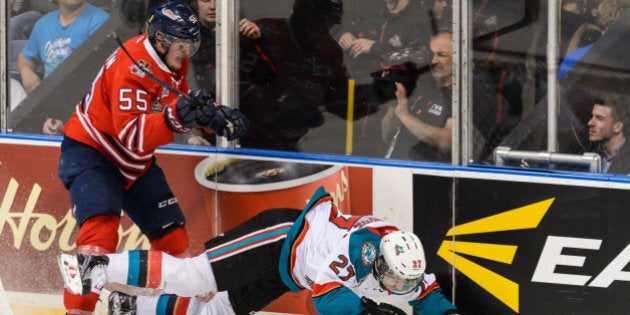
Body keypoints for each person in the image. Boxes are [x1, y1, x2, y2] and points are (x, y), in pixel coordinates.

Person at [56, 1, 248, 314]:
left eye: (190, 44)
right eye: (180, 44)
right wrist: (176, 118)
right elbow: (130, 134)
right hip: (94, 153)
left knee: (173, 235)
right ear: (159, 39)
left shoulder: (175, 60)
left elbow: (180, 103)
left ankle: (180, 306)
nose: (185, 51)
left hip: (136, 162)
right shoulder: (132, 67)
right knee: (100, 232)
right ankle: (78, 310)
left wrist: (210, 116)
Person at [60, 187, 463, 315]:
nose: (399, 285)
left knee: (219, 310)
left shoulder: (404, 266)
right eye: (394, 278)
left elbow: (430, 300)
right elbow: (325, 297)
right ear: (377, 261)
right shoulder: (357, 251)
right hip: (282, 236)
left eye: (405, 280)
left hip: (290, 270)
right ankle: (96, 265)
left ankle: (127, 308)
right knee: (196, 277)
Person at [237, 0, 350, 151]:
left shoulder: (330, 50)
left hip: (297, 139)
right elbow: (226, 81)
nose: (320, 31)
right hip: (250, 135)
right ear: (300, 17)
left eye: (327, 25)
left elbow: (342, 99)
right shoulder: (262, 31)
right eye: (315, 24)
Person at [381, 30, 510, 162]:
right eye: (431, 55)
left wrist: (404, 115)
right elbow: (386, 135)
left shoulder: (471, 90)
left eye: (441, 55)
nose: (434, 61)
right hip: (395, 169)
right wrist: (395, 103)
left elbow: (447, 141)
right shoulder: (424, 86)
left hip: (433, 175)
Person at [16, 0, 109, 135]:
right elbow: (24, 57)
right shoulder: (44, 24)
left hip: (87, 115)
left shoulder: (100, 22)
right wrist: (26, 71)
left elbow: (96, 81)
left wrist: (66, 118)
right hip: (49, 113)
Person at [184, 0, 261, 146]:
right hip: (207, 137)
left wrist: (259, 38)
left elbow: (269, 82)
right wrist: (189, 134)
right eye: (205, 0)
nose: (213, 6)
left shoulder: (244, 37)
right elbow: (172, 92)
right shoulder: (185, 42)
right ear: (195, 3)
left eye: (219, 1)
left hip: (250, 134)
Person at [586, 91, 630, 174]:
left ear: (617, 127)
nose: (590, 123)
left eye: (599, 118)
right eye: (592, 116)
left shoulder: (626, 158)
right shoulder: (587, 153)